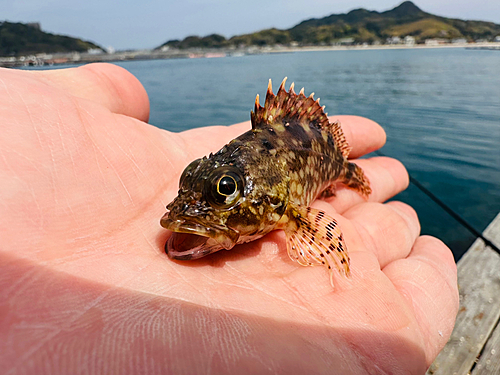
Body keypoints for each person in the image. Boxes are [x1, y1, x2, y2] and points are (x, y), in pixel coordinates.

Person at [0, 63, 458, 374]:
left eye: (225, 191)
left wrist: (337, 178)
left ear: (277, 201)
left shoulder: (292, 208)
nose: (184, 216)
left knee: (364, 177)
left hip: (329, 165)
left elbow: (316, 230)